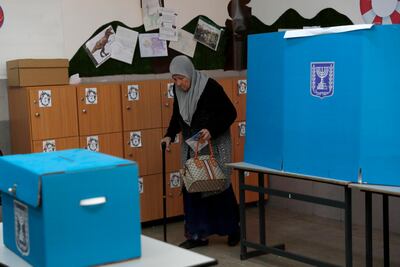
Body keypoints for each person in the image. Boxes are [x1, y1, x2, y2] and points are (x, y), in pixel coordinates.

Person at [160, 55, 240, 249]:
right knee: (193, 186)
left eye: (181, 78)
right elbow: (177, 116)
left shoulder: (210, 87)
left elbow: (230, 113)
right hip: (192, 144)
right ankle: (197, 234)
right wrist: (169, 135)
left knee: (216, 184)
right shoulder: (177, 91)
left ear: (189, 73)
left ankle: (233, 229)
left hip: (214, 142)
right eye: (175, 79)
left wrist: (211, 129)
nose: (178, 83)